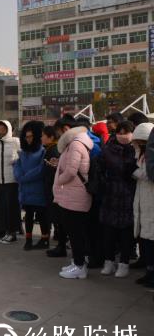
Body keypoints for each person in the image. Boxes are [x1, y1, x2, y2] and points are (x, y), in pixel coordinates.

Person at [98, 120, 137, 278]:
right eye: (119, 132)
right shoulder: (107, 148)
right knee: (109, 231)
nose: (122, 135)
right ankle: (109, 261)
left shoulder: (135, 149)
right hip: (111, 194)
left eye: (125, 132)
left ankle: (124, 263)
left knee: (126, 232)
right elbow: (100, 167)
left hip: (129, 195)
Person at [55, 125, 93, 279]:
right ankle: (77, 262)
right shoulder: (77, 143)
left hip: (75, 195)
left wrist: (59, 179)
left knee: (75, 233)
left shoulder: (75, 144)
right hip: (73, 193)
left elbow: (71, 171)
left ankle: (79, 266)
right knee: (75, 232)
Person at [13, 121, 48, 250]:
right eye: (26, 137)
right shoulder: (23, 152)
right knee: (28, 216)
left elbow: (41, 169)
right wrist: (19, 176)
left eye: (30, 136)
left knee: (42, 216)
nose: (28, 139)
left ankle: (45, 239)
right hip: (26, 190)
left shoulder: (43, 151)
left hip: (38, 190)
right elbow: (17, 166)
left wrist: (23, 178)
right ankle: (28, 239)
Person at [132, 123, 154, 288]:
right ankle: (148, 270)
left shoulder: (149, 154)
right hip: (142, 199)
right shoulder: (140, 153)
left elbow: (148, 174)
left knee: (150, 238)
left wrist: (133, 172)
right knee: (144, 237)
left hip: (150, 200)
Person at [42, 126, 65, 257]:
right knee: (56, 218)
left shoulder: (54, 150)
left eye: (43, 135)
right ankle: (59, 244)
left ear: (51, 137)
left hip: (54, 189)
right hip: (51, 187)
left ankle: (61, 245)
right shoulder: (50, 149)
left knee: (58, 219)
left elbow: (53, 171)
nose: (41, 138)